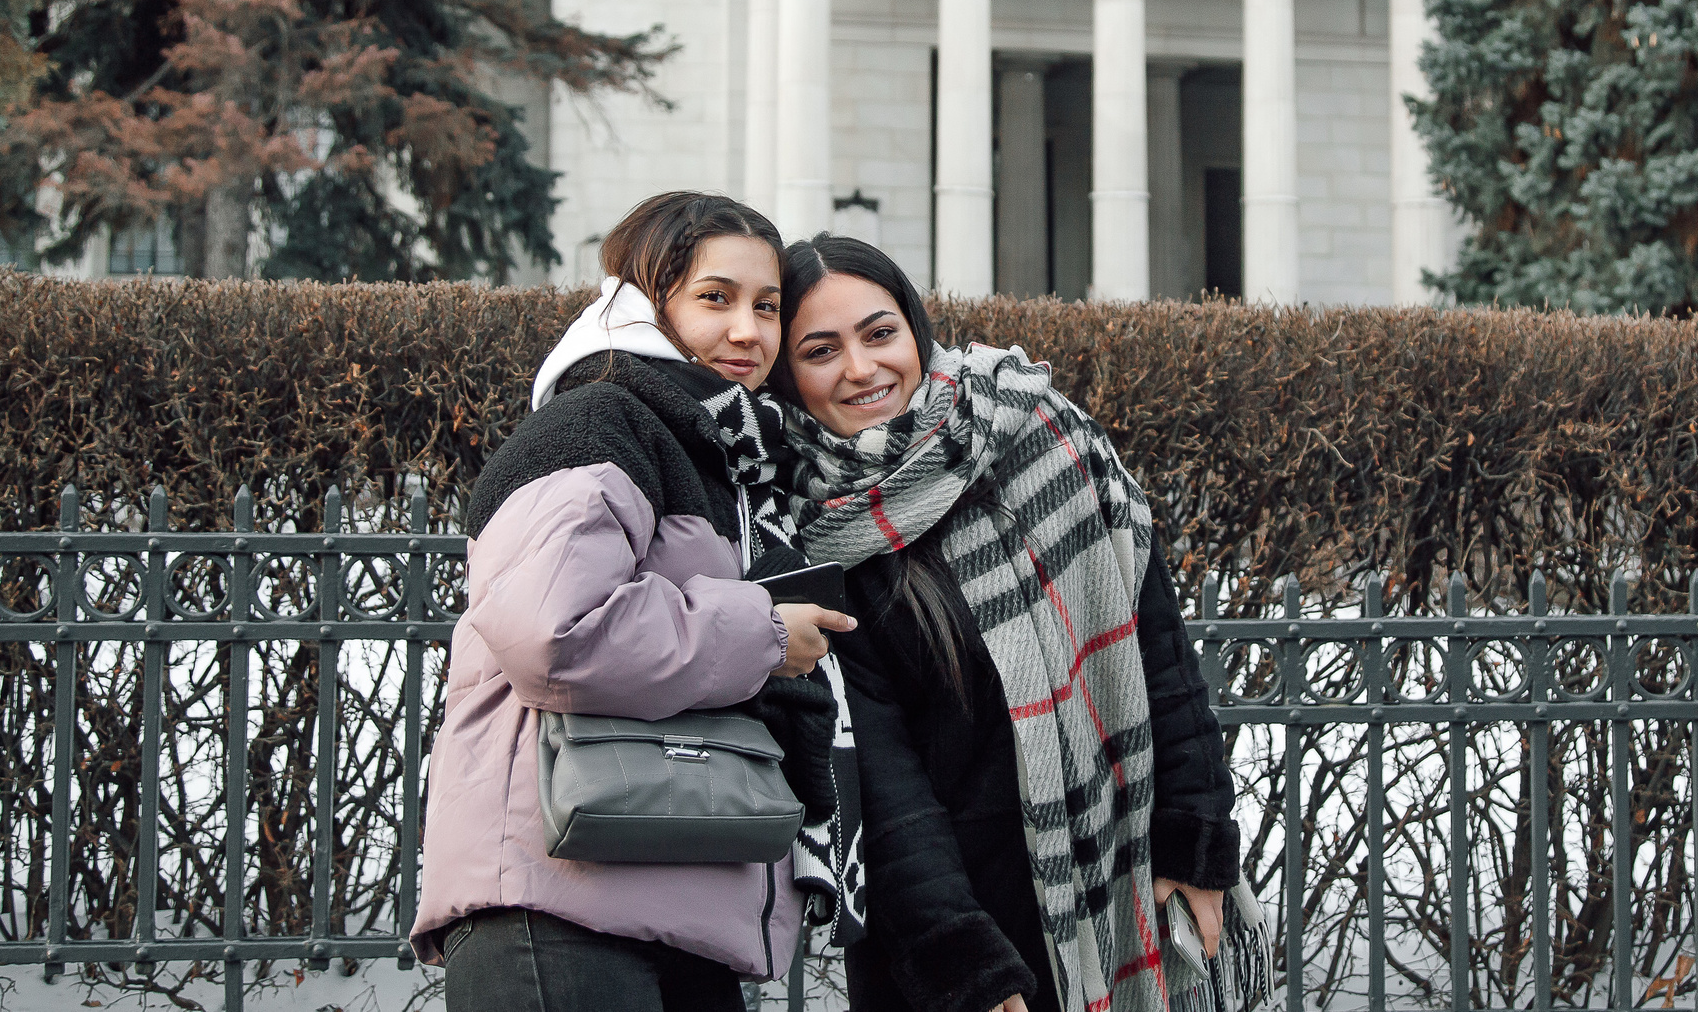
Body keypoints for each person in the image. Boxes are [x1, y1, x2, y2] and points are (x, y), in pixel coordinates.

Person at [770, 233, 1241, 1012]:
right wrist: (970, 969)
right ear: (790, 374)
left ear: (914, 329)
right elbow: (882, 790)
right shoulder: (813, 531)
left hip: (1119, 887)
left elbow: (1158, 648)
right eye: (821, 349)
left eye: (880, 332)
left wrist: (1194, 840)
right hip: (953, 939)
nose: (861, 367)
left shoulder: (1040, 432)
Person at [414, 192, 859, 1012]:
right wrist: (763, 631)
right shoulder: (600, 418)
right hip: (558, 895)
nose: (749, 332)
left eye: (767, 307)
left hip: (669, 886)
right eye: (715, 297)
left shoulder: (723, 457)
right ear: (647, 300)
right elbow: (557, 632)